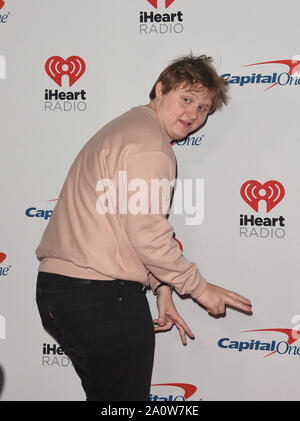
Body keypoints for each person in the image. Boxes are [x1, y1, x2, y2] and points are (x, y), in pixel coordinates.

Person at [35, 54, 252, 401]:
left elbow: (121, 223)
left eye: (203, 108)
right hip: (102, 297)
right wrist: (199, 287)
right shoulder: (150, 147)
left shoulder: (127, 128)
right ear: (160, 89)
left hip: (61, 291)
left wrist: (161, 285)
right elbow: (147, 232)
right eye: (186, 99)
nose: (193, 114)